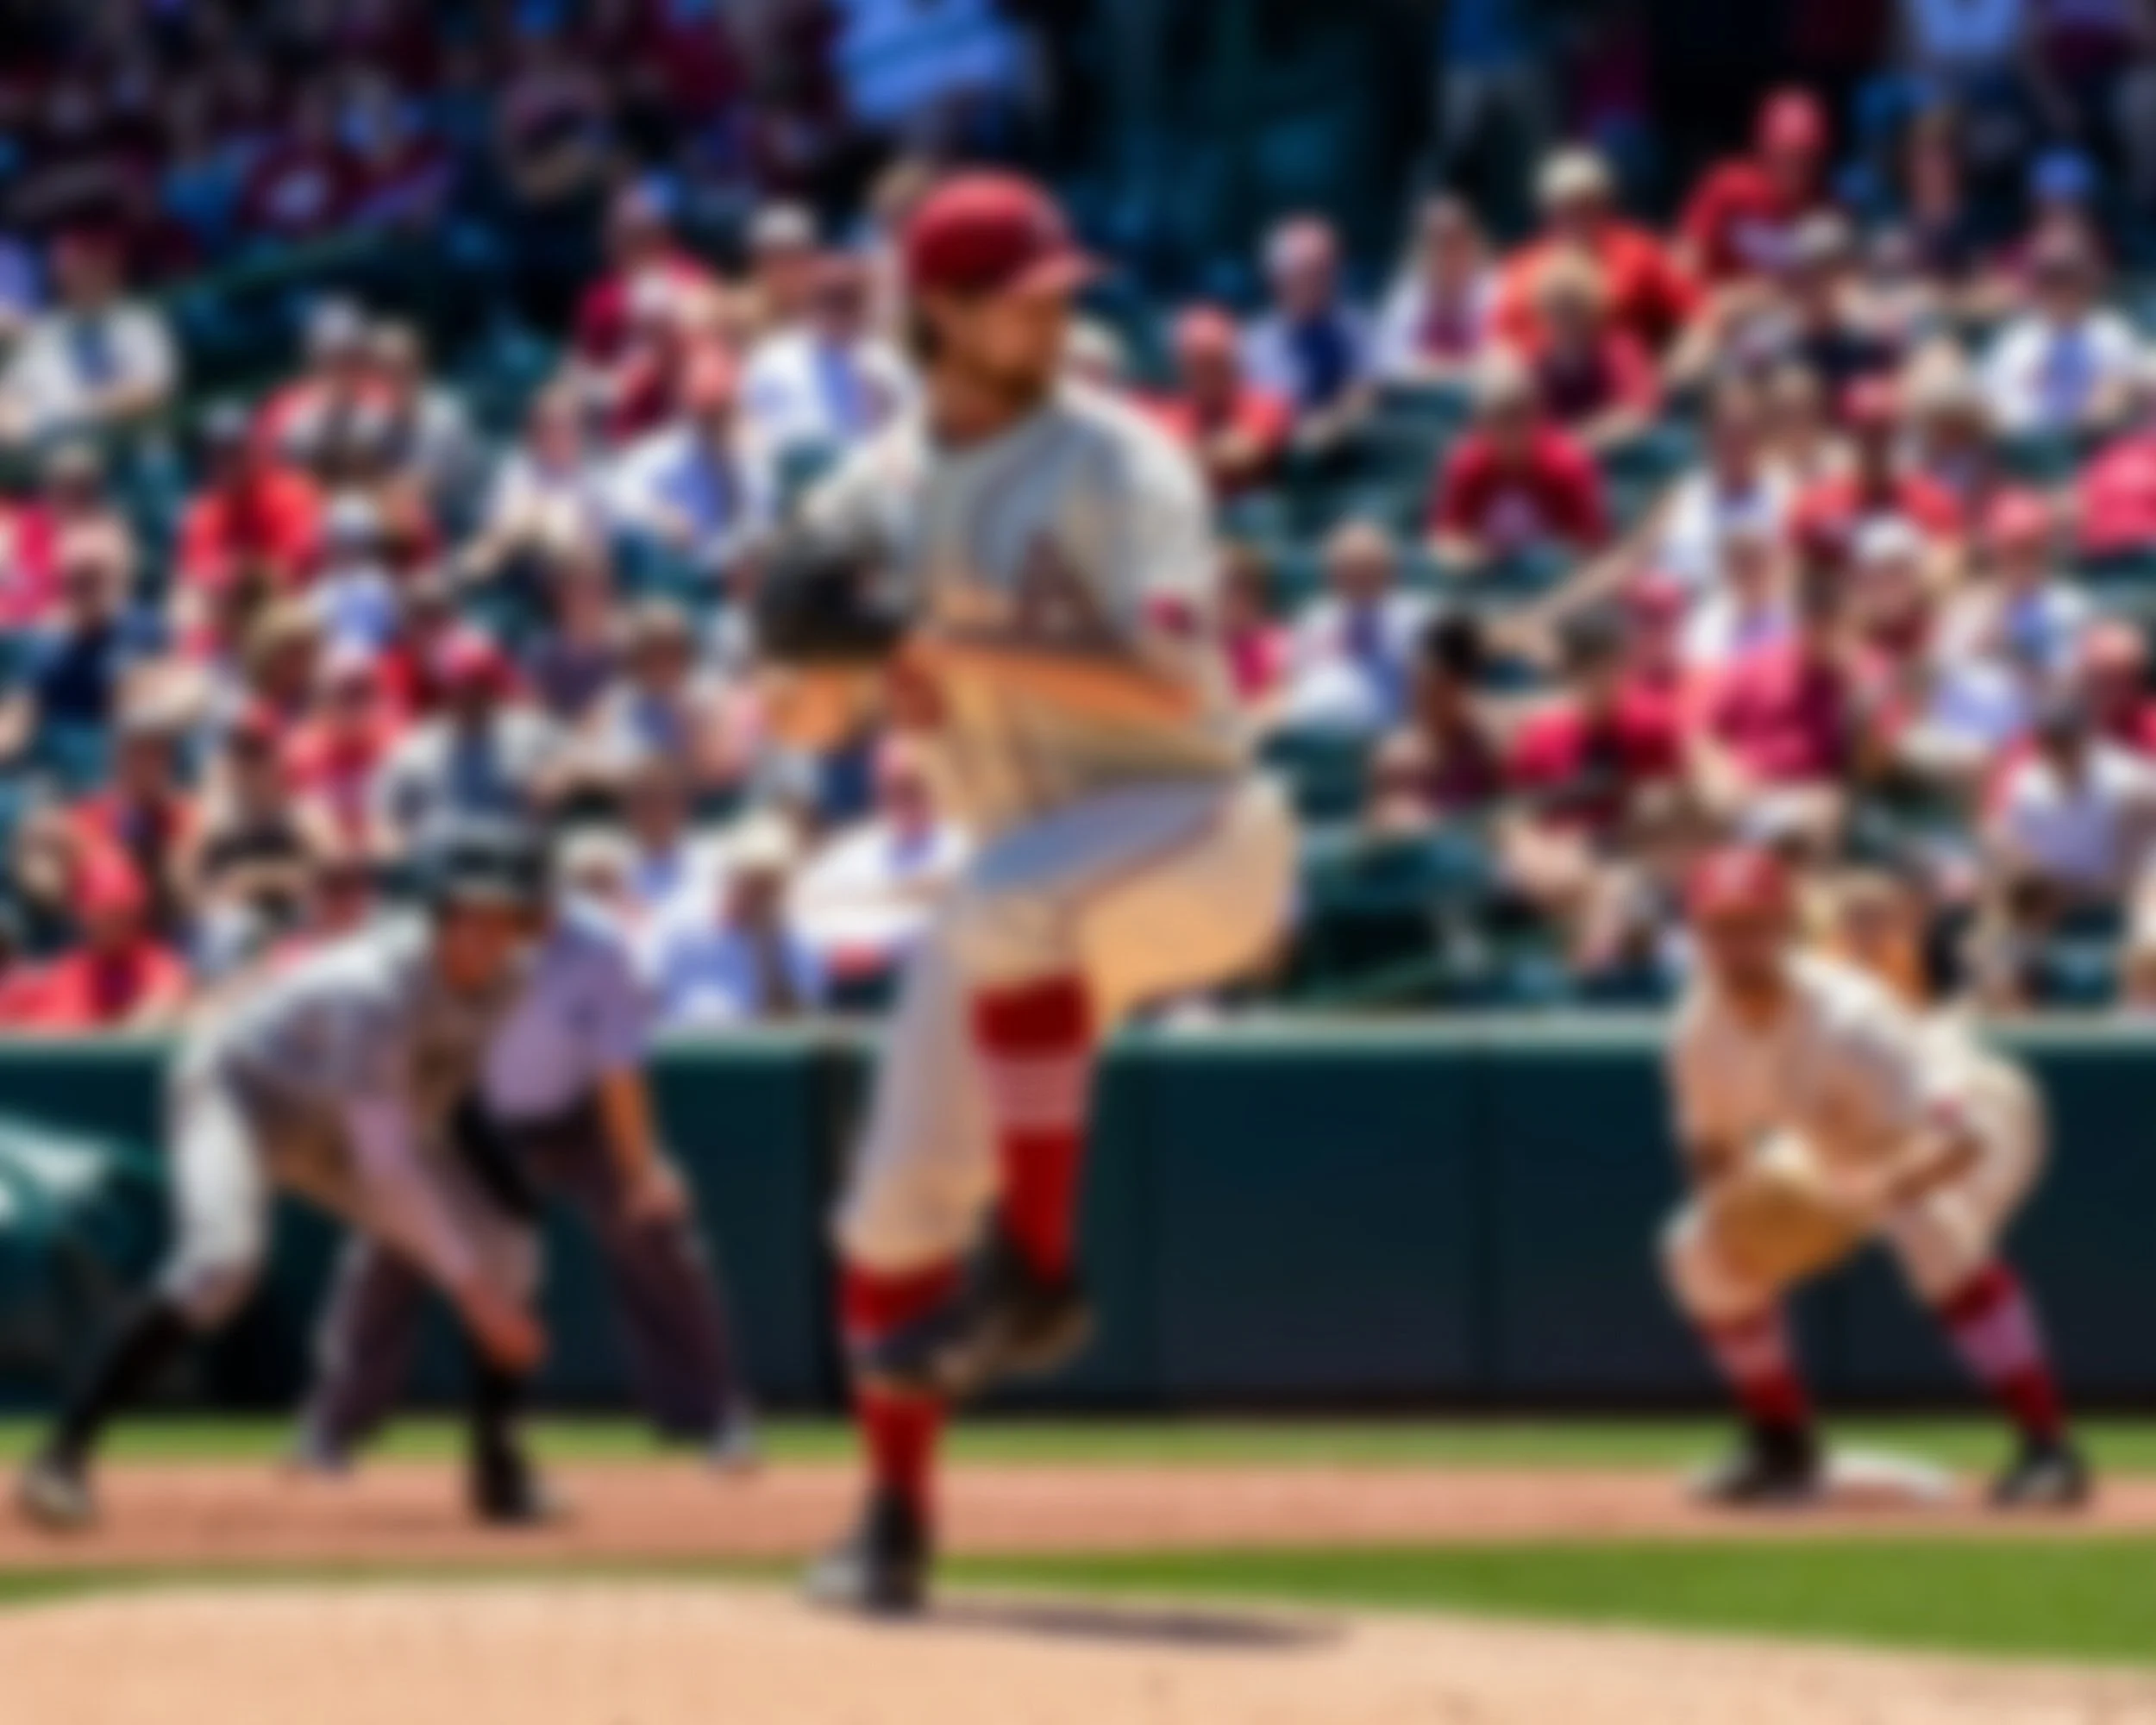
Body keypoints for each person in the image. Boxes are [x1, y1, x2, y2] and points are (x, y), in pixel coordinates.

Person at [785, 172, 1295, 1614]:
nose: (1057, 311)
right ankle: (892, 1520)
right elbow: (807, 719)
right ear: (941, 313)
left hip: (1193, 827)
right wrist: (815, 664)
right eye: (1025, 296)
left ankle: (1037, 1271)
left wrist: (937, 639)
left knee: (1006, 902)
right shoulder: (865, 495)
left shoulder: (1125, 462)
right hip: (1024, 883)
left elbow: (1171, 681)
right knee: (891, 1209)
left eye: (1062, 290)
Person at [16, 822, 555, 1531]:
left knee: (507, 1248)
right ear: (437, 911)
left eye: (506, 916)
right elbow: (388, 1166)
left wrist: (501, 1197)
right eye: (471, 913)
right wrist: (473, 1294)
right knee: (221, 1264)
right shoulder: (374, 987)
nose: (488, 933)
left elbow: (447, 1090)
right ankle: (62, 1456)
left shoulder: (512, 980)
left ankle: (498, 1472)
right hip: (242, 1095)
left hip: (339, 1125)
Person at [295, 851, 755, 1473]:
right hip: (462, 1115)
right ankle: (331, 1425)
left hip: (574, 1114)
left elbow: (620, 1071)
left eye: (537, 896)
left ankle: (715, 1417)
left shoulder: (595, 943)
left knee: (654, 1225)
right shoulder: (436, 938)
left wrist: (641, 1170)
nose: (529, 911)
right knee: (391, 1242)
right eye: (510, 897)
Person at [1659, 845, 2088, 1507]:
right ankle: (1781, 1447)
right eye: (1720, 928)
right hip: (1841, 1146)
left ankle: (2049, 1450)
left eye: (1752, 925)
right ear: (1696, 936)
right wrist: (1734, 1209)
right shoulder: (1699, 1029)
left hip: (1982, 1115)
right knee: (1697, 1248)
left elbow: (1958, 1140)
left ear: (1784, 927)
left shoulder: (1851, 1017)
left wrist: (1868, 1196)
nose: (1736, 945)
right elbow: (1711, 1143)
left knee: (1930, 1227)